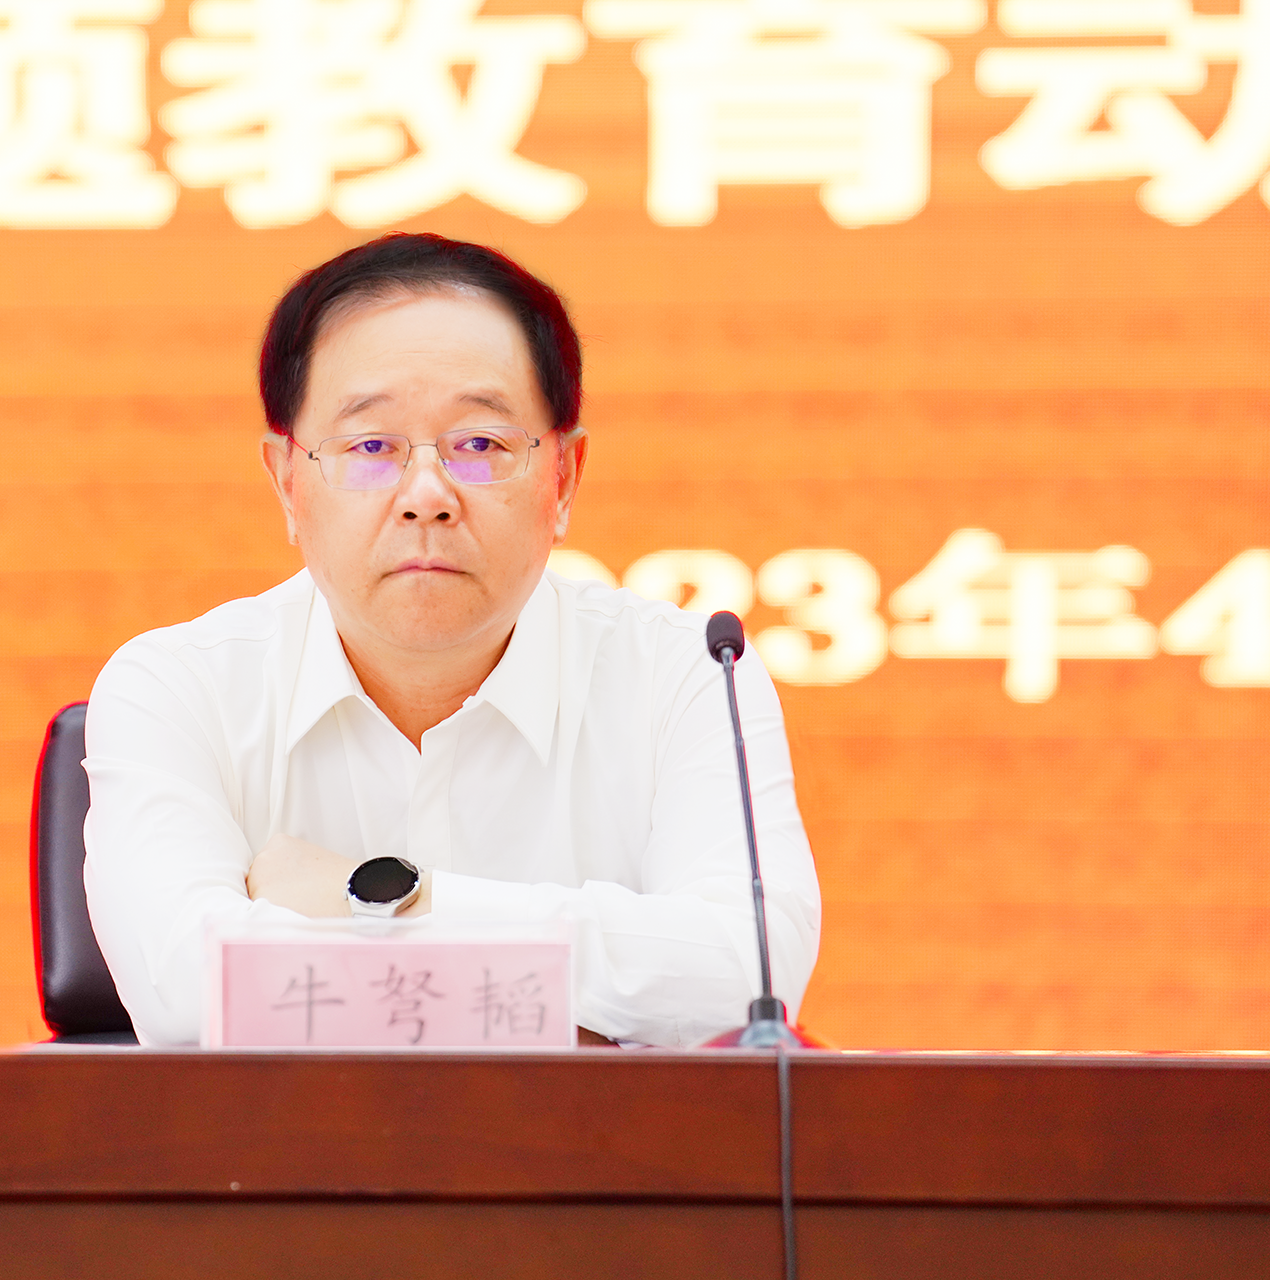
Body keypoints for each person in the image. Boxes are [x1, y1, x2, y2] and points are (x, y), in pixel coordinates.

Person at [83, 233, 820, 1047]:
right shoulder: (176, 688)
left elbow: (750, 979)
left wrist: (384, 898)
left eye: (481, 445)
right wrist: (578, 1024)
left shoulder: (688, 673)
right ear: (287, 482)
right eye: (371, 447)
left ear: (564, 479)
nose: (426, 495)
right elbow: (191, 996)